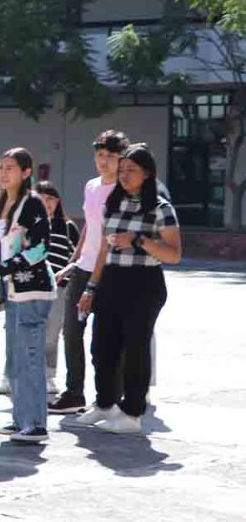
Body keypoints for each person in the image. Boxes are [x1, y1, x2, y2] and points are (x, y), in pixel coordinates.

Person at [75, 144, 182, 434]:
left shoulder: (161, 208)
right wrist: (91, 288)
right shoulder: (113, 204)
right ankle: (105, 403)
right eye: (121, 170)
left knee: (135, 348)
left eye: (131, 170)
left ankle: (133, 412)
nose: (124, 175)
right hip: (111, 279)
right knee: (102, 346)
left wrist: (138, 239)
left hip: (144, 282)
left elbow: (174, 254)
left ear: (147, 173)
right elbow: (101, 252)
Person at [0, 148, 57, 444]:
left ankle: (35, 423)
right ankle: (20, 418)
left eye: (10, 167)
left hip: (32, 290)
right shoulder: (4, 204)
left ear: (26, 172)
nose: (3, 173)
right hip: (12, 293)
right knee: (15, 359)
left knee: (30, 358)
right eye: (0, 167)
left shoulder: (32, 203)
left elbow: (39, 250)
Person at [49, 130, 128, 415]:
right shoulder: (92, 186)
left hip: (109, 272)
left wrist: (94, 280)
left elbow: (111, 237)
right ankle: (74, 392)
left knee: (105, 338)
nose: (104, 162)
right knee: (71, 331)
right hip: (83, 268)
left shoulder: (123, 192)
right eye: (100, 155)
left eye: (111, 156)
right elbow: (88, 227)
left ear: (121, 159)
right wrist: (73, 261)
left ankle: (109, 398)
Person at [33, 180, 80, 404]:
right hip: (33, 287)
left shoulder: (67, 226)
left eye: (51, 199)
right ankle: (21, 373)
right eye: (42, 198)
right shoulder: (29, 223)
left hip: (60, 287)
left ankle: (49, 374)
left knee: (52, 334)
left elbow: (76, 255)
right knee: (30, 331)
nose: (47, 203)